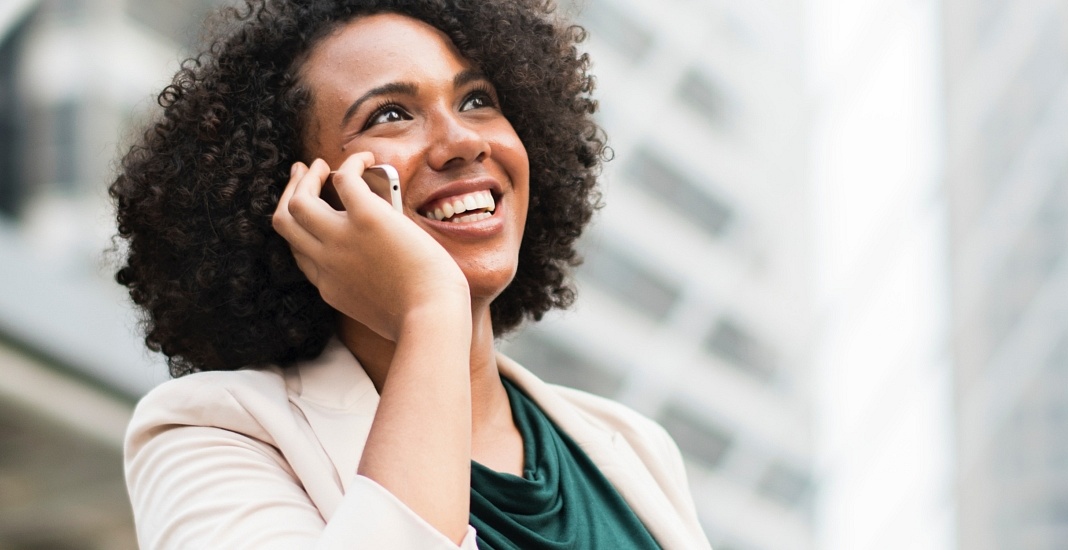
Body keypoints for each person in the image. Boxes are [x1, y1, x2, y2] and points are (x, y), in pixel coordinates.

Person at [113, 0, 711, 548]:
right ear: (302, 197)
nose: (462, 141)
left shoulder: (631, 444)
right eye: (391, 114)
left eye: (477, 100)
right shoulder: (210, 434)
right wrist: (430, 308)